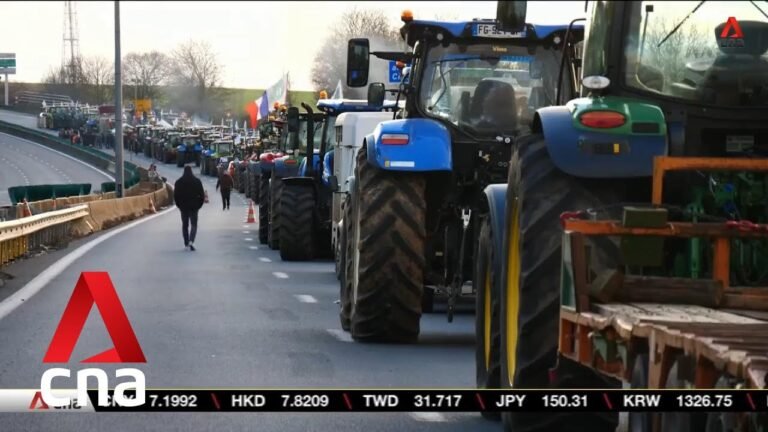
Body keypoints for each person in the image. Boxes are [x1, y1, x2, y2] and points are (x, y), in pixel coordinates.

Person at [174, 166, 205, 251]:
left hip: (183, 207)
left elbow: (176, 196)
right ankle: (191, 240)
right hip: (194, 206)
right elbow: (202, 195)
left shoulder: (179, 182)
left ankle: (186, 243)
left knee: (185, 225)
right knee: (194, 225)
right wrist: (199, 205)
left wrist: (179, 205)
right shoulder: (197, 181)